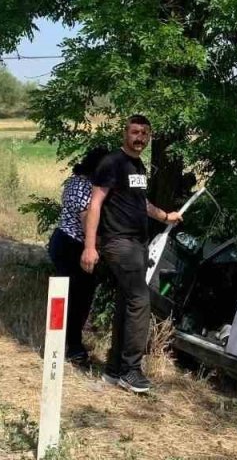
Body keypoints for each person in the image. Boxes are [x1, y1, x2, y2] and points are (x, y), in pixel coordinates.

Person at [81, 115, 183, 394]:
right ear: (125, 133)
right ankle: (132, 370)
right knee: (140, 300)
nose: (140, 138)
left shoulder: (138, 166)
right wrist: (90, 246)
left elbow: (141, 202)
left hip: (137, 243)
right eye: (135, 132)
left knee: (127, 301)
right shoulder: (112, 163)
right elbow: (95, 204)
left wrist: (166, 216)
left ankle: (115, 370)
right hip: (119, 243)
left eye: (145, 133)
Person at [47, 147, 111, 366]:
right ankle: (70, 345)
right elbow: (86, 222)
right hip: (71, 244)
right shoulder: (81, 185)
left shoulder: (85, 183)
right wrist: (102, 244)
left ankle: (66, 343)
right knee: (74, 298)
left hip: (74, 243)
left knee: (78, 297)